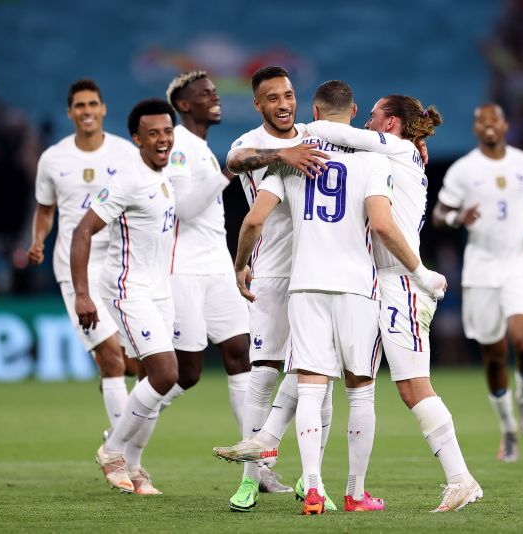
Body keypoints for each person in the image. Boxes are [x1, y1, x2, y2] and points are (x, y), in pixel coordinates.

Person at [230, 80, 447, 515]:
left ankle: (307, 484)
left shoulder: (294, 159)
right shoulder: (373, 162)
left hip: (302, 283)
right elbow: (383, 225)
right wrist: (421, 273)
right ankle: (354, 492)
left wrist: (239, 262)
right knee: (360, 394)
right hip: (358, 287)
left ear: (312, 109)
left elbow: (253, 220)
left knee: (307, 386)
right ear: (353, 114)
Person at [304, 95, 483, 512]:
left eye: (373, 116)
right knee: (363, 381)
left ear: (391, 125)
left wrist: (293, 133)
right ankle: (349, 488)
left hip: (403, 281)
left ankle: (461, 479)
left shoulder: (399, 149)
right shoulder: (401, 154)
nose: (366, 122)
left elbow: (332, 131)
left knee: (412, 385)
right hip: (382, 281)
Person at [157, 70, 297, 491]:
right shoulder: (182, 146)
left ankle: (256, 464)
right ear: (184, 105)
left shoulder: (200, 145)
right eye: (205, 95)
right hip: (186, 269)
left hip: (217, 266)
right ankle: (126, 429)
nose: (215, 99)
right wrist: (224, 175)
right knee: (187, 373)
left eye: (215, 92)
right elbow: (182, 207)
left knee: (241, 355)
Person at [216, 65, 330, 512]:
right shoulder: (249, 144)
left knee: (316, 379)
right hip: (274, 270)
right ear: (258, 104)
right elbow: (234, 163)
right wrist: (283, 155)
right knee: (262, 372)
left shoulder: (316, 134)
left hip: (320, 272)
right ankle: (252, 479)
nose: (284, 104)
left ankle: (310, 478)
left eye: (288, 95)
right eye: (273, 98)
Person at [433, 103, 523, 463]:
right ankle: (507, 429)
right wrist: (457, 216)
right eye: (481, 121)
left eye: (494, 120)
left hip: (521, 263)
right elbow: (439, 215)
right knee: (494, 355)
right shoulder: (463, 169)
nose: (489, 126)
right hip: (482, 269)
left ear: (505, 124)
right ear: (475, 128)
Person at [71, 99, 179, 494]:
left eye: (167, 131)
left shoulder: (165, 173)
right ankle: (112, 449)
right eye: (153, 133)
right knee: (166, 373)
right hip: (125, 288)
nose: (162, 139)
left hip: (159, 289)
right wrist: (83, 295)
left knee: (159, 379)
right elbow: (82, 232)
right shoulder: (126, 179)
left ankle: (133, 466)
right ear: (137, 139)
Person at [28, 79, 138, 441]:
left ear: (104, 108)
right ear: (70, 112)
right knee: (110, 358)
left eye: (93, 104)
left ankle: (118, 434)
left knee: (135, 363)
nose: (87, 111)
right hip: (74, 269)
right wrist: (38, 241)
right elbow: (46, 211)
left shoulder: (125, 154)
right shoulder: (54, 158)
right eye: (80, 105)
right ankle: (119, 450)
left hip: (120, 265)